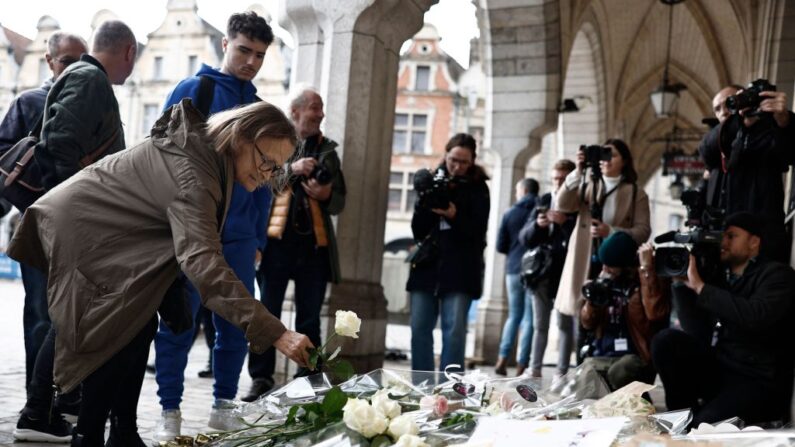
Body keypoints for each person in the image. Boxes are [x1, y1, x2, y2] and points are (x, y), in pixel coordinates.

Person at [8, 99, 315, 447]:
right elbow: (203, 262)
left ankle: (122, 432)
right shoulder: (196, 175)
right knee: (116, 324)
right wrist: (277, 333)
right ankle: (87, 435)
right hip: (86, 230)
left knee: (138, 322)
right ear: (241, 136)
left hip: (108, 233)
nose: (266, 176)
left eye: (276, 170)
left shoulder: (210, 161)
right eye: (266, 162)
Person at [12, 20, 137, 443]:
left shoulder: (85, 79)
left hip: (75, 223)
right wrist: (83, 211)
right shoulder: (89, 80)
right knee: (62, 319)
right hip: (77, 225)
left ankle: (46, 409)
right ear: (129, 53)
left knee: (66, 319)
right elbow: (57, 147)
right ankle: (37, 413)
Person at [152, 11, 275, 438]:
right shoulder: (194, 91)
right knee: (177, 324)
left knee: (237, 325)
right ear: (225, 44)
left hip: (240, 237)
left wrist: (258, 237)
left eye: (259, 55)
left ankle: (224, 406)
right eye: (244, 50)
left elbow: (265, 180)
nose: (251, 62)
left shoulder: (260, 108)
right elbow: (159, 157)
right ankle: (170, 412)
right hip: (191, 233)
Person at [242, 86, 346, 402]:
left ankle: (308, 378)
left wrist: (327, 194)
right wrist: (291, 169)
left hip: (314, 248)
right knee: (267, 312)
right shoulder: (276, 142)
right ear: (296, 111)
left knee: (310, 317)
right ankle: (261, 378)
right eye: (315, 107)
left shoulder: (328, 150)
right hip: (275, 245)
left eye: (321, 107)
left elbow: (340, 200)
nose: (320, 114)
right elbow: (258, 180)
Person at [0, 30, 86, 404]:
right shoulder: (28, 102)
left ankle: (66, 394)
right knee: (39, 312)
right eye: (67, 60)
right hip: (36, 225)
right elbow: (3, 158)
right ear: (50, 62)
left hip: (81, 232)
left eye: (82, 61)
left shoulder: (93, 106)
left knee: (74, 316)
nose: (75, 68)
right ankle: (37, 398)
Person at [651, 212, 795, 426]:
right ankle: (681, 420)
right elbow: (697, 333)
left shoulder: (777, 275)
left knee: (705, 427)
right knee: (666, 341)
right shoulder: (719, 277)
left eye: (732, 236)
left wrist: (702, 288)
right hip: (724, 368)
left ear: (754, 242)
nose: (723, 242)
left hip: (758, 379)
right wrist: (682, 284)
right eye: (722, 236)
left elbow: (755, 316)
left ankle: (697, 421)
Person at [554, 139, 651, 373]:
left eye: (613, 155)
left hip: (616, 264)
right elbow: (562, 204)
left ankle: (611, 370)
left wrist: (613, 232)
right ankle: (580, 375)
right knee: (583, 316)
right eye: (603, 154)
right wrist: (578, 171)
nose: (606, 160)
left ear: (624, 161)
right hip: (585, 259)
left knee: (609, 317)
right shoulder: (588, 183)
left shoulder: (635, 192)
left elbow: (643, 230)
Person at [406, 133, 490, 373]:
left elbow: (477, 232)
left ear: (472, 161)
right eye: (454, 159)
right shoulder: (431, 182)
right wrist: (427, 203)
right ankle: (419, 390)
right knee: (419, 328)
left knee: (454, 332)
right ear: (446, 155)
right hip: (427, 266)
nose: (457, 166)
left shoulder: (478, 189)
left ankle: (450, 392)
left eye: (464, 161)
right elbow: (418, 231)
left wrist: (454, 215)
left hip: (461, 269)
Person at [699, 83, 795, 263]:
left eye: (729, 103)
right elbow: (705, 151)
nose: (723, 111)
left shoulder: (770, 132)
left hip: (760, 246)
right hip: (720, 246)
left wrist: (785, 121)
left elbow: (789, 153)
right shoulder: (720, 139)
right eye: (717, 109)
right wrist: (737, 123)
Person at [579, 233, 669, 391]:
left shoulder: (646, 282)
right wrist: (594, 298)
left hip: (635, 357)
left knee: (620, 372)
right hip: (604, 354)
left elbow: (655, 313)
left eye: (611, 265)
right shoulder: (605, 283)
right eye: (604, 264)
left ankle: (636, 403)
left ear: (626, 265)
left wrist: (646, 269)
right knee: (585, 377)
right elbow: (587, 323)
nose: (605, 269)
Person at [518, 159, 578, 378]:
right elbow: (524, 238)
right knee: (539, 323)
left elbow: (579, 241)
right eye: (555, 179)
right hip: (541, 271)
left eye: (563, 180)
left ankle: (561, 373)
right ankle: (534, 369)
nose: (558, 183)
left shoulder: (578, 205)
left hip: (566, 272)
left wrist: (564, 222)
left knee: (564, 323)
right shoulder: (544, 200)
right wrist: (538, 225)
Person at [494, 178, 538, 376]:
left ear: (524, 190)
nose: (515, 194)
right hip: (535, 271)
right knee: (529, 319)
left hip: (513, 268)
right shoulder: (540, 212)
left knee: (514, 316)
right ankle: (522, 365)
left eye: (516, 190)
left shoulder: (510, 213)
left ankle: (502, 358)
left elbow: (500, 246)